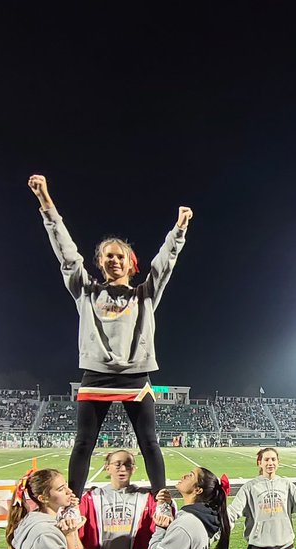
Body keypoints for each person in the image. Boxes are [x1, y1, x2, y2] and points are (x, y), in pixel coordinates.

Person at [28, 173, 192, 496]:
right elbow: (66, 253)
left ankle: (161, 501)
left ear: (131, 264)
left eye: (121, 256)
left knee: (149, 442)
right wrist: (46, 203)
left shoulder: (144, 295)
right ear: (100, 263)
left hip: (136, 376)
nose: (115, 260)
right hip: (97, 375)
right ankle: (71, 504)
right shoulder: (86, 292)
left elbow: (164, 264)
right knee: (83, 443)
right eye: (108, 256)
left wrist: (179, 230)